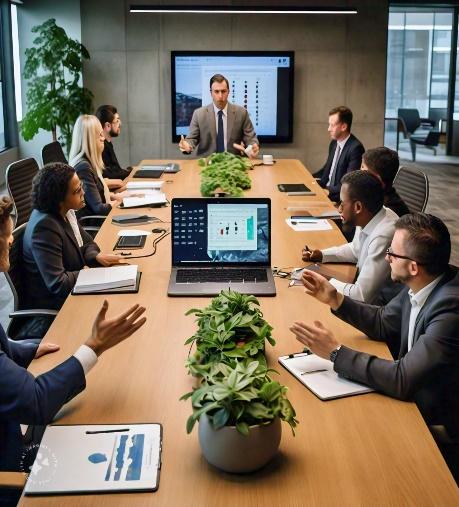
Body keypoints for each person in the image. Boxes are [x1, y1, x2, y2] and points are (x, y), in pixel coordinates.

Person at [0, 195, 146, 501]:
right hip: (12, 470)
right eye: (6, 235)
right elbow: (37, 401)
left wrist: (22, 349)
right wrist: (94, 347)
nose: (11, 239)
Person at [291, 213, 459, 479]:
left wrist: (335, 353)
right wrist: (335, 299)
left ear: (413, 266)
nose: (387, 257)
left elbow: (403, 378)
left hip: (435, 421)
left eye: (393, 252)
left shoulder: (450, 308)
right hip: (412, 397)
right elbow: (384, 322)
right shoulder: (425, 279)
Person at [22, 163, 126, 317]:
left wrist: (95, 257)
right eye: (77, 191)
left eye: (81, 187)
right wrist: (86, 272)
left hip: (75, 291)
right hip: (58, 308)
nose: (83, 192)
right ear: (59, 199)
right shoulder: (44, 227)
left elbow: (87, 243)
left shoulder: (65, 212)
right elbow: (58, 284)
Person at [302, 170, 398, 303]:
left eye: (342, 203)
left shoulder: (383, 236)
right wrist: (322, 255)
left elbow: (362, 295)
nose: (339, 209)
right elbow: (355, 250)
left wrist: (326, 281)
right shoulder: (369, 215)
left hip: (379, 306)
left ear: (358, 207)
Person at [178, 74, 260, 159]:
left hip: (233, 164)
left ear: (228, 91)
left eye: (223, 91)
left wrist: (252, 147)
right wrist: (187, 145)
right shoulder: (199, 114)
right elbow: (192, 139)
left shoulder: (241, 112)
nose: (220, 96)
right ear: (211, 93)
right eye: (216, 91)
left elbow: (251, 138)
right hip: (207, 164)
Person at [69, 115, 123, 218]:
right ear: (90, 140)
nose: (103, 138)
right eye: (100, 135)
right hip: (97, 226)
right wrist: (123, 202)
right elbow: (99, 208)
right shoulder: (83, 167)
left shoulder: (89, 163)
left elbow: (97, 195)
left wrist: (117, 197)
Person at [318, 106, 365, 203]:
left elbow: (349, 184)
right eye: (329, 125)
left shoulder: (355, 148)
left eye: (332, 125)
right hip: (325, 193)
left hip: (339, 199)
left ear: (344, 127)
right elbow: (326, 170)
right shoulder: (334, 143)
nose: (328, 129)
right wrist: (310, 180)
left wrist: (326, 191)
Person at [361, 147, 410, 217]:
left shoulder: (386, 212)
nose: (359, 171)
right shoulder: (374, 195)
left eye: (363, 168)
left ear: (377, 179)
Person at [95, 104, 132, 182]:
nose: (120, 123)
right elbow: (109, 175)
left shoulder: (108, 144)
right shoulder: (102, 147)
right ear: (108, 125)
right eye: (117, 121)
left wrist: (128, 171)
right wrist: (129, 172)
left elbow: (115, 170)